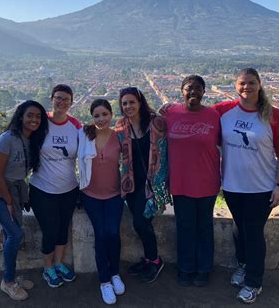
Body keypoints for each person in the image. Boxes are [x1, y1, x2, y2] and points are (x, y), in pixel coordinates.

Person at [213, 68, 279, 304]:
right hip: (232, 186)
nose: (246, 87)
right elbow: (194, 115)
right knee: (239, 227)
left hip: (261, 188)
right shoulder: (223, 111)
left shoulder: (274, 116)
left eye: (250, 83)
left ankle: (254, 282)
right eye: (241, 83)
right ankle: (244, 264)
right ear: (235, 86)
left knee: (254, 232)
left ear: (259, 85)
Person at [159, 75, 221, 287]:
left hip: (207, 180)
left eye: (198, 88)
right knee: (184, 227)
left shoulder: (213, 116)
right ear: (181, 91)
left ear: (204, 92)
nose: (193, 92)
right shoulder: (170, 113)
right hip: (180, 182)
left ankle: (203, 269)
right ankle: (185, 268)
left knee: (204, 227)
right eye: (189, 88)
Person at [0, 100, 48, 300]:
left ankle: (10, 275)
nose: (34, 119)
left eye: (38, 116)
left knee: (9, 235)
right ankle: (8, 282)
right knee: (15, 234)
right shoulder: (7, 138)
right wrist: (10, 202)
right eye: (30, 115)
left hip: (14, 191)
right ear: (21, 116)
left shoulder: (32, 140)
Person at [115, 87, 171, 284]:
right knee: (141, 222)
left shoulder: (156, 123)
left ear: (140, 103)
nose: (128, 106)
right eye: (124, 103)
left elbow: (164, 156)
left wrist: (161, 191)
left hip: (153, 183)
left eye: (132, 102)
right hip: (131, 183)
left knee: (141, 222)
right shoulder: (121, 126)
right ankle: (149, 259)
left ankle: (155, 261)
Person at [28, 84, 81, 288]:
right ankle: (48, 267)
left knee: (62, 229)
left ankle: (59, 263)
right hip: (42, 189)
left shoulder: (75, 125)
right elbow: (18, 135)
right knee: (49, 230)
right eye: (58, 98)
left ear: (71, 102)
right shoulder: (41, 123)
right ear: (51, 99)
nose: (61, 102)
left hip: (68, 188)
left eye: (66, 99)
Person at [78, 99, 125, 305]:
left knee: (113, 234)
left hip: (114, 194)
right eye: (96, 115)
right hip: (91, 195)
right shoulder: (85, 136)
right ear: (92, 117)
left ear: (111, 115)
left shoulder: (119, 137)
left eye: (105, 114)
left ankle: (115, 273)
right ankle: (104, 280)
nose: (101, 119)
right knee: (101, 234)